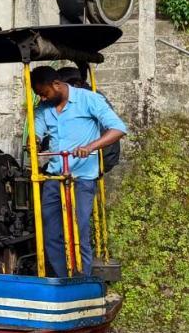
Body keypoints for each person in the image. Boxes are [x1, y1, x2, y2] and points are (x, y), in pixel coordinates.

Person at [30, 66, 128, 278]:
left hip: (82, 178)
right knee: (51, 234)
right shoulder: (43, 108)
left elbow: (118, 129)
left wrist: (91, 147)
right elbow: (35, 133)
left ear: (56, 85)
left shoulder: (88, 99)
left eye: (44, 93)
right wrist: (34, 142)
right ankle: (62, 279)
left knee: (79, 230)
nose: (42, 97)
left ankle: (82, 279)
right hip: (55, 177)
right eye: (39, 95)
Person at [56, 67, 122, 173]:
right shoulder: (89, 94)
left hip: (98, 156)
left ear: (75, 84)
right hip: (102, 155)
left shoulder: (86, 98)